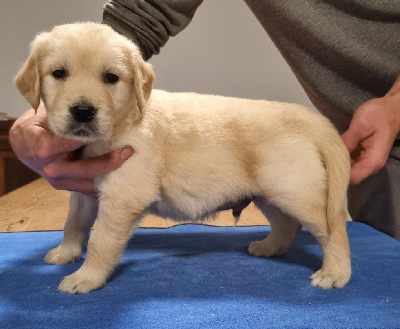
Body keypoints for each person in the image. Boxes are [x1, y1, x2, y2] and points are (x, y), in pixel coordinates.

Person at [10, 0, 400, 239]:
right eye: (58, 73)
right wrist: (35, 123)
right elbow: (143, 13)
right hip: (362, 138)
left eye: (110, 79)